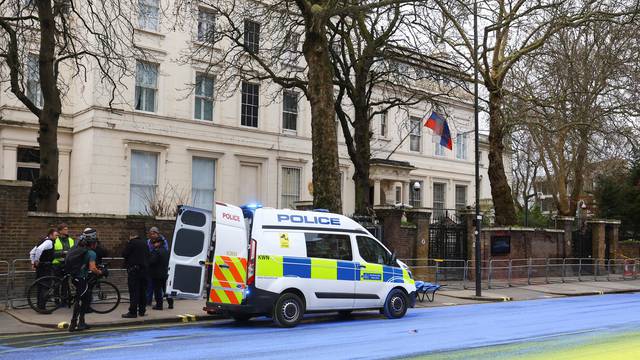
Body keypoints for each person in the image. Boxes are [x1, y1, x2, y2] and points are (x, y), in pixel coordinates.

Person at [68, 229, 102, 332]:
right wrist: (100, 272)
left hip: (74, 277)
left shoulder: (79, 249)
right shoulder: (91, 253)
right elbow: (92, 268)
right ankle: (74, 324)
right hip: (81, 278)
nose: (96, 244)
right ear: (93, 244)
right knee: (81, 300)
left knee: (85, 299)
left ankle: (81, 322)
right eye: (96, 242)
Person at [29, 228, 59, 310]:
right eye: (56, 235)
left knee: (40, 286)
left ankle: (39, 306)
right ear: (50, 235)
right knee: (45, 286)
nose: (57, 237)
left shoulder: (42, 241)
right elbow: (39, 250)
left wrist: (33, 263)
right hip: (46, 267)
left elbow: (31, 252)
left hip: (40, 268)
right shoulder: (49, 242)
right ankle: (42, 308)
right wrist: (36, 260)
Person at [122, 233, 149, 318]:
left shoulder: (132, 243)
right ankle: (142, 311)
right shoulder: (145, 243)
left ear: (131, 236)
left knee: (134, 292)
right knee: (142, 291)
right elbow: (148, 255)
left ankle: (133, 312)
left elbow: (124, 254)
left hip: (134, 271)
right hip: (144, 271)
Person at [146, 226, 168, 305]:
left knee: (159, 288)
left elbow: (162, 255)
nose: (152, 235)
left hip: (158, 268)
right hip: (152, 269)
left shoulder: (163, 242)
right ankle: (148, 301)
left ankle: (159, 304)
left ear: (157, 234)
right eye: (151, 234)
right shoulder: (148, 241)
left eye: (154, 233)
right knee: (150, 286)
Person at [149, 238, 173, 310]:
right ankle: (170, 304)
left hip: (157, 274)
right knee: (166, 290)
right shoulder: (167, 251)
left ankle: (159, 305)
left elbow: (152, 261)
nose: (153, 245)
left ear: (158, 243)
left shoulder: (156, 251)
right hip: (166, 273)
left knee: (157, 290)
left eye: (154, 243)